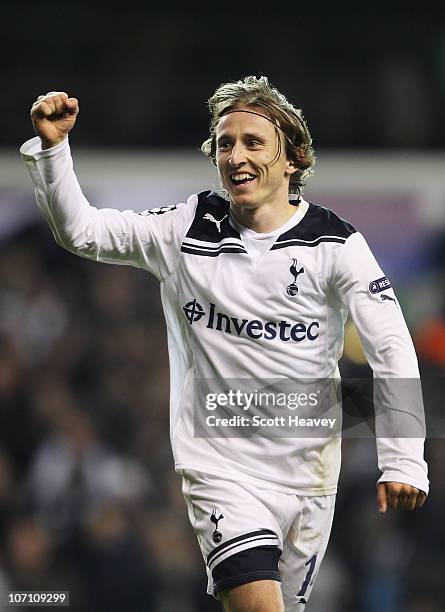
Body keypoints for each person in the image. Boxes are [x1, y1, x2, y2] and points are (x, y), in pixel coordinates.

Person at [21, 76, 429, 612]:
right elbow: (84, 232)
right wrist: (55, 150)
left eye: (254, 142)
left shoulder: (337, 245)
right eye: (225, 144)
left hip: (309, 478)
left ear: (293, 159)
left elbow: (392, 346)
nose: (236, 155)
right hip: (221, 471)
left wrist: (404, 459)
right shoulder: (187, 227)